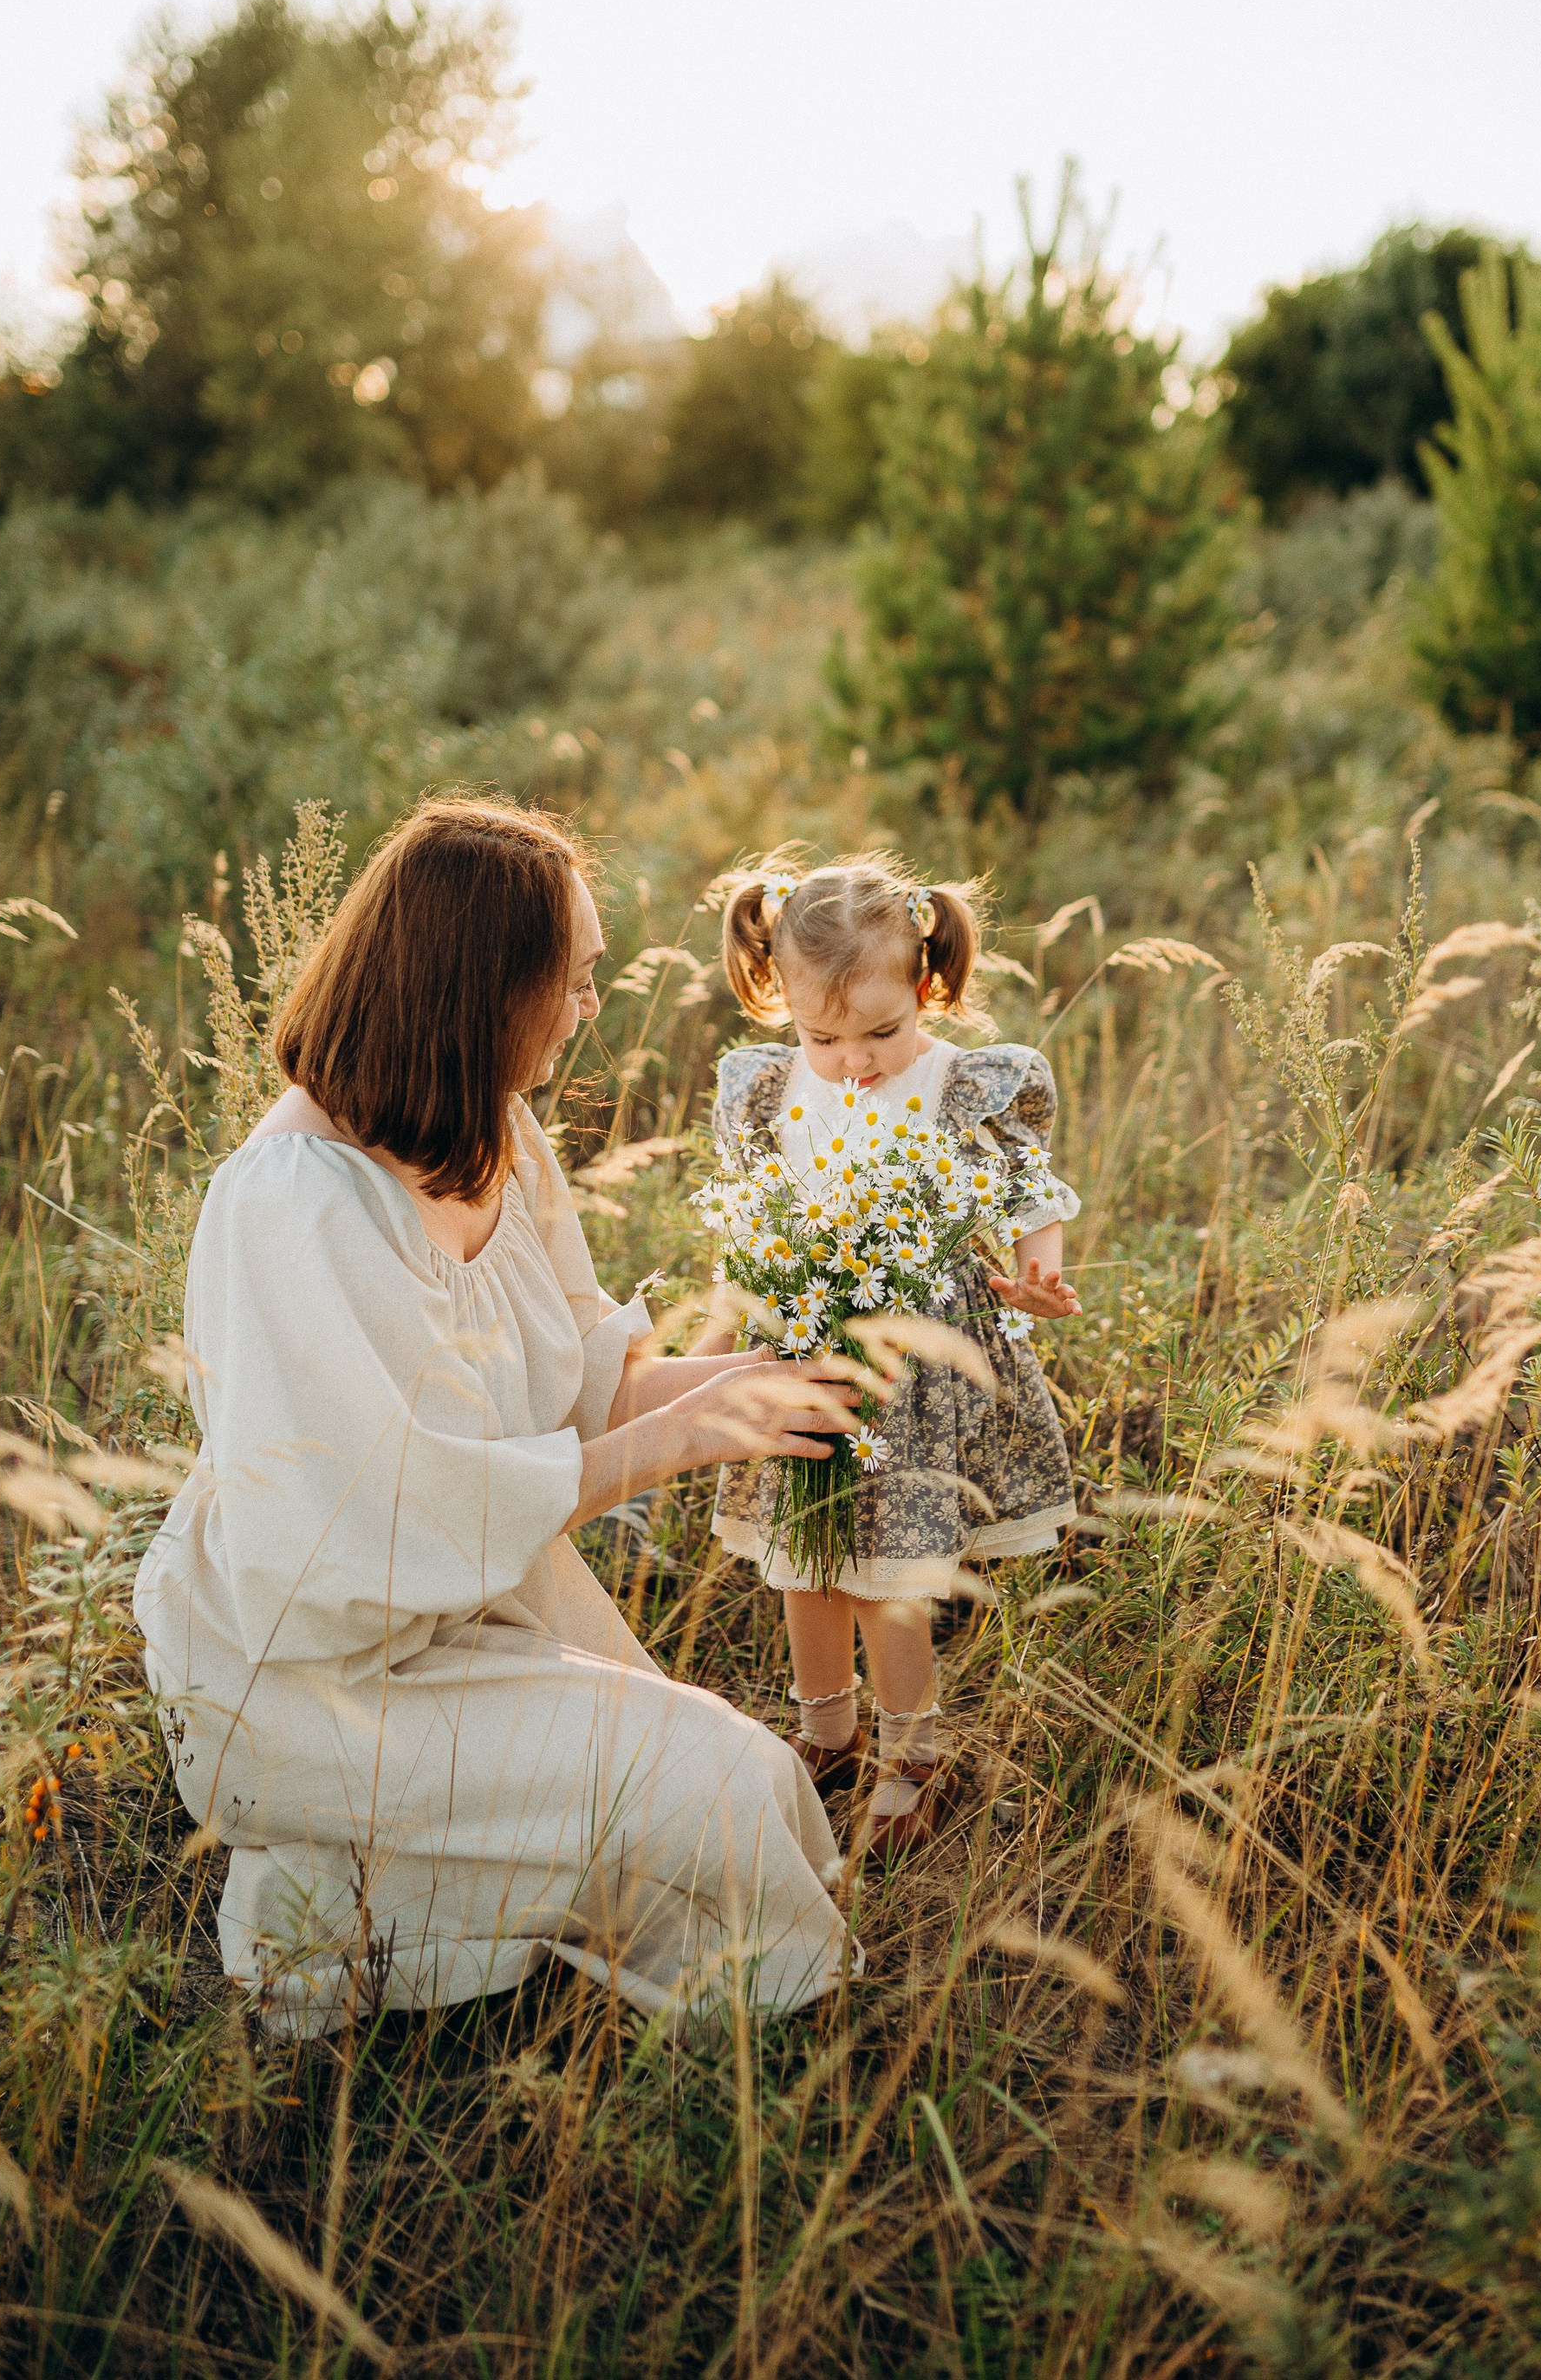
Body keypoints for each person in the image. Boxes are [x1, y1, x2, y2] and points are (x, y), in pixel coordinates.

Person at [133, 799, 859, 2039]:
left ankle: (354, 1887)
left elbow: (590, 1387)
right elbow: (385, 1514)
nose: (588, 1012)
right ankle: (320, 1875)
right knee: (725, 1790)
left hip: (462, 1605)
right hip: (316, 1664)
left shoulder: (495, 1133)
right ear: (478, 990)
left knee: (748, 1777)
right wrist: (696, 1433)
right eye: (570, 984)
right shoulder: (293, 1207)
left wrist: (782, 1373)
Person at [704, 854, 1082, 1862]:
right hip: (803, 1353)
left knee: (887, 1572)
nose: (854, 1060)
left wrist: (1038, 1277)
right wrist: (709, 1347)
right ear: (779, 1000)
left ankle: (913, 1757)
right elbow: (749, 1240)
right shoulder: (767, 1091)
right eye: (822, 1035)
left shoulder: (963, 1084)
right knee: (804, 1561)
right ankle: (828, 1730)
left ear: (925, 985)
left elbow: (1030, 1201)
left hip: (917, 1370)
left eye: (880, 1031)